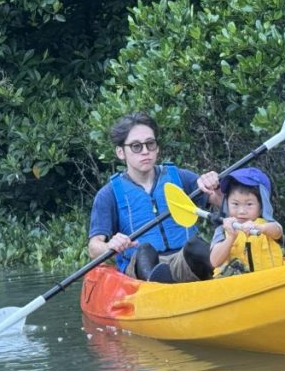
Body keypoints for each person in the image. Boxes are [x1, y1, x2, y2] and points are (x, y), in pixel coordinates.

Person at [88, 111, 223, 283]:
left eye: (150, 144)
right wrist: (109, 246)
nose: (145, 151)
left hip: (183, 262)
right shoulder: (108, 195)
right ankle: (159, 287)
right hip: (142, 270)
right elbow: (94, 247)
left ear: (157, 148)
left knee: (195, 245)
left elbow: (222, 203)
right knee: (144, 251)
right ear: (121, 152)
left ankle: (219, 282)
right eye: (136, 146)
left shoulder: (180, 178)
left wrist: (215, 185)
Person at [209, 167, 284, 275]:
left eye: (249, 204)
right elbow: (214, 261)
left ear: (262, 205)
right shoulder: (223, 230)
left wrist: (260, 228)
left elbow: (278, 232)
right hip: (235, 287)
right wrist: (231, 237)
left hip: (269, 281)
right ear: (227, 204)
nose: (241, 211)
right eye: (235, 204)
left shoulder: (268, 225)